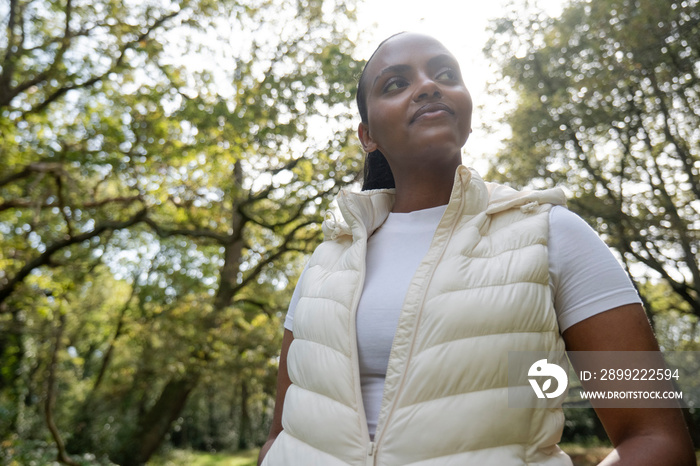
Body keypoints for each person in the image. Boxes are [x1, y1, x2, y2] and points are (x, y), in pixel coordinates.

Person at [257, 32, 695, 465]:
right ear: (367, 135)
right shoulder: (325, 262)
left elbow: (657, 438)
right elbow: (281, 436)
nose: (428, 86)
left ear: (468, 111)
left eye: (445, 74)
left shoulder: (552, 233)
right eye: (396, 83)